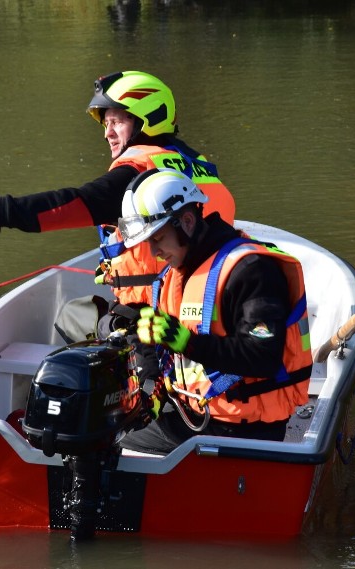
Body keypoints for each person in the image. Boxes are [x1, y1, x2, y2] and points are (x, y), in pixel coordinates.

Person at [0, 70, 235, 309]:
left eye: (115, 121)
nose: (107, 134)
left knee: (76, 326)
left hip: (158, 310)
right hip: (210, 296)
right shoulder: (200, 165)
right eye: (105, 124)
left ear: (147, 118)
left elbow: (69, 205)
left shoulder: (139, 172)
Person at [116, 168, 313, 455]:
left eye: (157, 238)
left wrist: (187, 342)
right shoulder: (175, 274)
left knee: (111, 436)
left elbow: (264, 357)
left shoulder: (251, 271)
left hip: (246, 429)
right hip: (199, 416)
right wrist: (151, 386)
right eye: (148, 242)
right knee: (108, 420)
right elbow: (160, 348)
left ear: (186, 221)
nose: (153, 252)